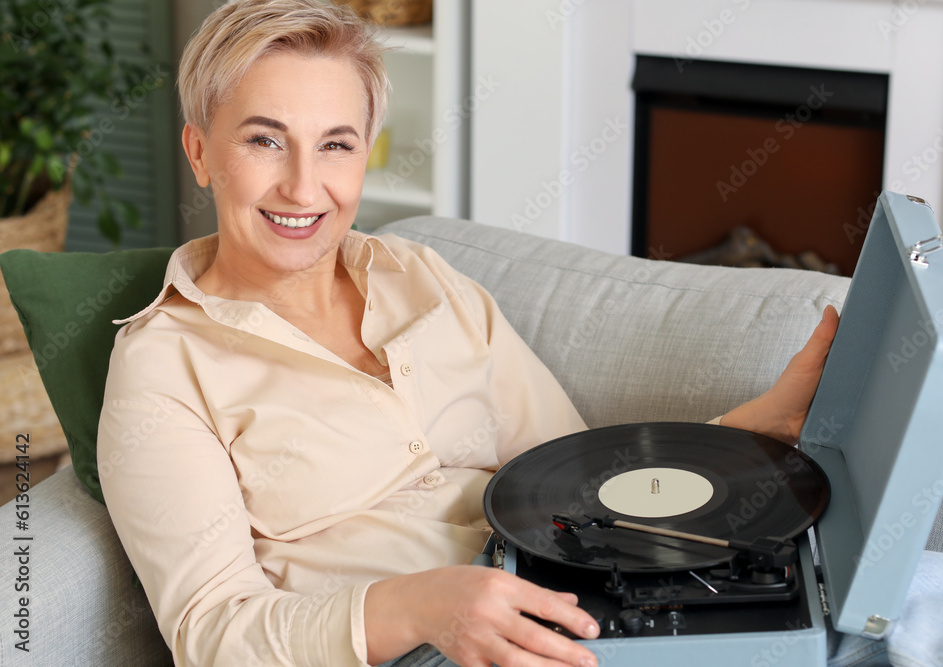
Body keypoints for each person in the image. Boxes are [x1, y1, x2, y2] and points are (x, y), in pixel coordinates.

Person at [96, 1, 890, 665]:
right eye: (264, 139)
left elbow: (575, 477)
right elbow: (212, 630)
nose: (305, 186)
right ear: (201, 151)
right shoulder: (164, 366)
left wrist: (756, 429)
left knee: (905, 602)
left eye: (335, 144)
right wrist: (417, 606)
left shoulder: (423, 276)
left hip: (559, 595)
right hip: (421, 648)